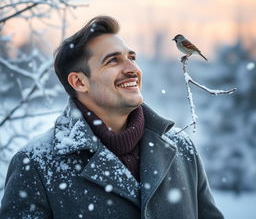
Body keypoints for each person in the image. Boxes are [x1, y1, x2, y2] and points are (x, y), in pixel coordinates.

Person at [0, 16, 224, 219]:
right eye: (113, 61)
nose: (132, 69)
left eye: (132, 57)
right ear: (79, 82)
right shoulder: (35, 164)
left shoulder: (181, 146)